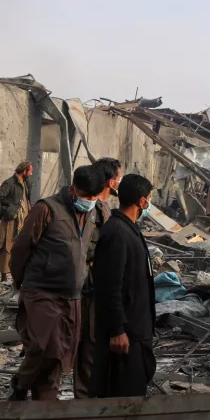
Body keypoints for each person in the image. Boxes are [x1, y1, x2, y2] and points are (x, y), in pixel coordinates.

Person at [8, 165, 104, 401]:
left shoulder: (95, 213)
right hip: (43, 291)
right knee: (44, 346)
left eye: (94, 197)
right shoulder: (46, 208)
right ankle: (20, 383)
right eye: (86, 196)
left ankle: (45, 404)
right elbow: (21, 249)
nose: (90, 201)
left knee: (60, 353)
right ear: (73, 190)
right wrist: (20, 282)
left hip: (73, 295)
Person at [90, 174, 156, 398]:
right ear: (142, 202)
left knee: (135, 392)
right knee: (120, 397)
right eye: (149, 198)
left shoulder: (129, 229)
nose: (149, 203)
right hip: (125, 335)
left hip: (137, 331)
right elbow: (108, 286)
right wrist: (117, 329)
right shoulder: (117, 233)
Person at [74, 156, 120, 399]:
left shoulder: (103, 209)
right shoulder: (92, 209)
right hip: (85, 286)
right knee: (85, 343)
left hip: (93, 285)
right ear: (111, 182)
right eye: (118, 178)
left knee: (91, 343)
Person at [0, 160, 33, 283]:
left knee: (21, 247)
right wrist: (3, 213)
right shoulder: (10, 183)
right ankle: (4, 277)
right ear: (24, 171)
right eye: (30, 171)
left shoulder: (25, 183)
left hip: (23, 220)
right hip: (11, 220)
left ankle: (17, 275)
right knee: (6, 247)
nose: (31, 174)